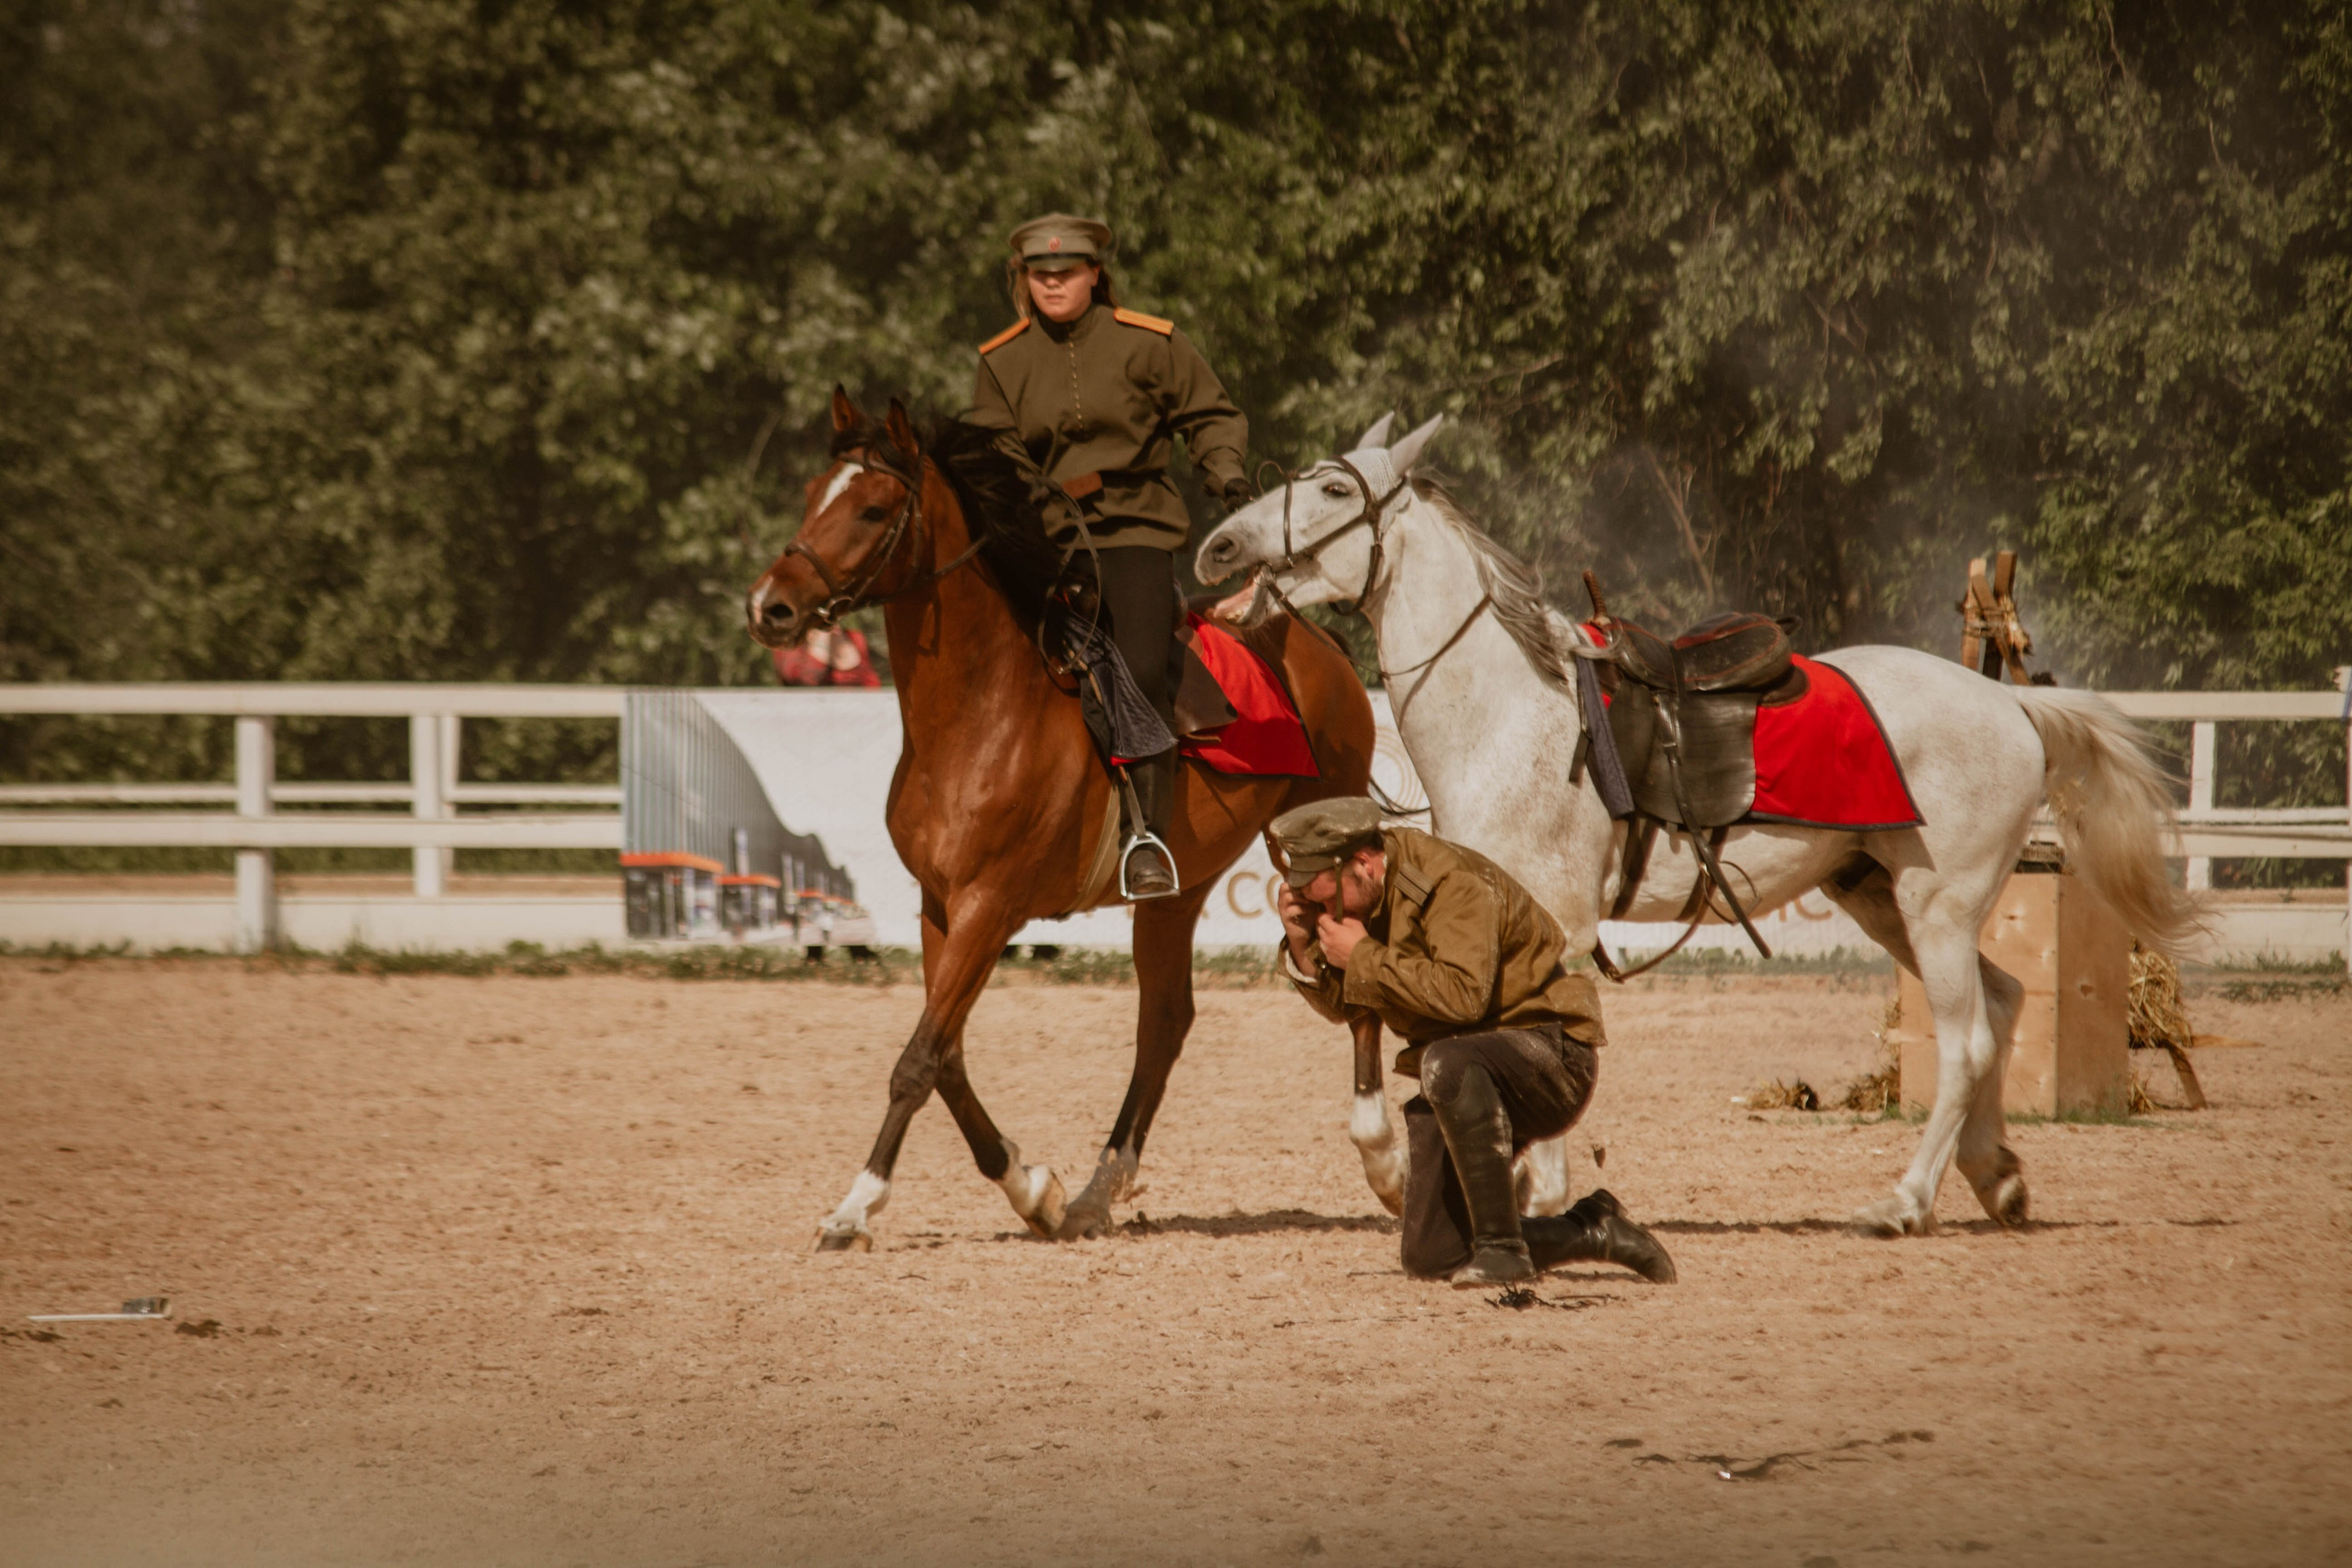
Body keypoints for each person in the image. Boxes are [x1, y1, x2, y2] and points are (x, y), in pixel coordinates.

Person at [1270, 797, 1678, 1288]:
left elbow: (1463, 997)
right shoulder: (1364, 892)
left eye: (1324, 896)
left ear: (1364, 863)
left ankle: (1503, 1250)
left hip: (1549, 1056)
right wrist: (1301, 946)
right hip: (1467, 1074)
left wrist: (1362, 955)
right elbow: (1348, 1007)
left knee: (1444, 1062)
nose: (1320, 909)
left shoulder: (1452, 883)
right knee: (1433, 1257)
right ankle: (1592, 1230)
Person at [970, 212, 1253, 899]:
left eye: (1066, 272)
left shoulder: (1150, 343)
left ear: (1095, 273)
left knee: (1139, 663)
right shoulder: (1000, 361)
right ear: (1025, 279)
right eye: (1040, 274)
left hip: (1135, 529)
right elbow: (991, 459)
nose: (1054, 283)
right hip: (1045, 540)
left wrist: (1227, 474)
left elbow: (1210, 416)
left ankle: (1145, 834)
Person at [773, 625, 880, 688]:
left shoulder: (855, 637)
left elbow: (873, 685)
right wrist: (824, 638)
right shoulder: (790, 647)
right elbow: (804, 685)